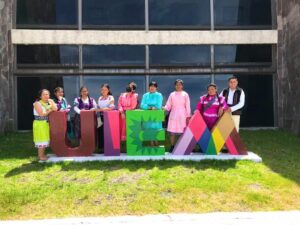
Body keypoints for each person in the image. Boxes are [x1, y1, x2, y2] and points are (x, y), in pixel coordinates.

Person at [164, 79, 191, 152]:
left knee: (182, 132)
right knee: (172, 132)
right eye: (177, 85)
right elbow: (168, 105)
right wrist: (164, 108)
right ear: (175, 86)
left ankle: (182, 147)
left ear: (182, 86)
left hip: (183, 114)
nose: (178, 86)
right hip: (173, 113)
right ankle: (172, 146)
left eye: (180, 84)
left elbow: (187, 105)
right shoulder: (172, 94)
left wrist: (188, 116)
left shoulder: (185, 94)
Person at [33, 89, 57, 161]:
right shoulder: (37, 103)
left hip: (45, 124)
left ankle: (42, 155)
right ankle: (40, 156)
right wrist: (50, 110)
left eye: (47, 94)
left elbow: (55, 109)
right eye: (44, 94)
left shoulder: (48, 103)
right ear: (40, 96)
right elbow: (41, 114)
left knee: (45, 139)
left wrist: (52, 102)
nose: (46, 96)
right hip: (39, 124)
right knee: (41, 139)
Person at [140, 81, 163, 146]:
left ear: (156, 88)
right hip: (147, 117)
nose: (152, 88)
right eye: (151, 86)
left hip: (156, 117)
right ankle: (152, 145)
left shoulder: (159, 95)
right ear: (149, 87)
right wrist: (150, 107)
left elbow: (158, 106)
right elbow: (142, 105)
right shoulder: (145, 95)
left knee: (156, 130)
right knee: (149, 130)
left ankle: (157, 145)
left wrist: (147, 106)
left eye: (154, 86)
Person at [95, 84, 115, 149]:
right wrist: (96, 108)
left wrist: (100, 109)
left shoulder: (110, 97)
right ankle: (101, 148)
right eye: (102, 90)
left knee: (107, 133)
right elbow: (97, 106)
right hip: (100, 117)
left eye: (105, 90)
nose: (104, 91)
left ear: (108, 90)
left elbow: (111, 107)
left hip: (108, 118)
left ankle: (108, 148)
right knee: (100, 132)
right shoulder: (100, 98)